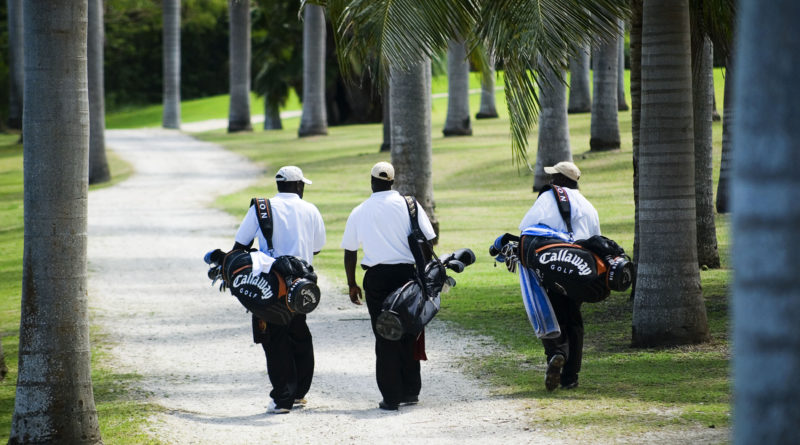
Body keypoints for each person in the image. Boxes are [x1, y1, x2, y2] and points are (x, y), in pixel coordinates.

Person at [341, 161, 437, 410]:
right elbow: (430, 239)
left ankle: (391, 396)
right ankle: (410, 391)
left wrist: (352, 284)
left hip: (377, 279)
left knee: (385, 335)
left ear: (372, 181)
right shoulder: (410, 205)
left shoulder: (360, 210)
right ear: (392, 182)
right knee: (408, 331)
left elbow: (350, 251)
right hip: (407, 276)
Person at [232, 166, 326, 414]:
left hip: (269, 285)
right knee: (299, 334)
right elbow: (317, 248)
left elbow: (239, 245)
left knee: (275, 338)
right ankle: (298, 394)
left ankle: (283, 398)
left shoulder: (261, 208)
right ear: (298, 186)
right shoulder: (310, 209)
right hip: (302, 285)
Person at [518, 161, 600, 391]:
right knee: (574, 318)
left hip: (552, 265)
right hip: (580, 269)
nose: (551, 181)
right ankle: (570, 377)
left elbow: (527, 228)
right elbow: (596, 239)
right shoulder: (588, 206)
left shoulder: (548, 198)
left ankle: (557, 352)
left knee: (549, 311)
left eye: (555, 177)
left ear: (563, 181)